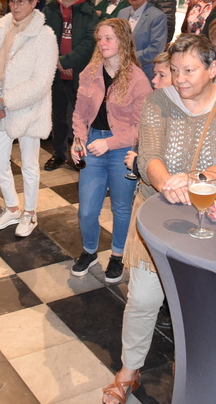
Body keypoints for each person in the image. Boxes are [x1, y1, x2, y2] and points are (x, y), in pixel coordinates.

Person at [102, 35, 216, 404]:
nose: (180, 78)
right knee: (142, 300)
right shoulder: (157, 101)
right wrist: (165, 181)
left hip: (210, 222)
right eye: (175, 70)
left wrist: (196, 180)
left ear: (213, 68)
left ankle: (189, 362)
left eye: (189, 70)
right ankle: (129, 369)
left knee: (199, 304)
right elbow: (149, 153)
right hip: (157, 215)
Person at [70, 19, 152, 284]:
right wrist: (78, 139)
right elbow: (80, 113)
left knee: (121, 207)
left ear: (123, 42)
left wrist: (110, 143)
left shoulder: (138, 79)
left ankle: (117, 255)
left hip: (122, 149)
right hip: (93, 143)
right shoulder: (90, 72)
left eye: (109, 38)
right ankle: (89, 251)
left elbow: (141, 127)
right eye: (100, 39)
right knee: (87, 209)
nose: (103, 44)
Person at [0, 0, 58, 237]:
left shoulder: (45, 36)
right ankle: (12, 208)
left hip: (28, 109)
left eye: (21, 1)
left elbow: (41, 83)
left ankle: (29, 214)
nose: (15, 6)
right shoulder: (1, 26)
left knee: (30, 165)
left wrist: (6, 101)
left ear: (34, 3)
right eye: (11, 1)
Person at [43, 0, 99, 170]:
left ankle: (79, 155)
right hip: (55, 73)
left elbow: (90, 42)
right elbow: (42, 37)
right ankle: (59, 154)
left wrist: (66, 62)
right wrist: (57, 63)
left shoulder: (88, 10)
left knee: (81, 117)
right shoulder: (48, 9)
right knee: (58, 116)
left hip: (80, 71)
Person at [116, 0, 167, 80]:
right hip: (121, 71)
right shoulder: (122, 12)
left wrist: (128, 57)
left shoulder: (157, 16)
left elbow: (155, 50)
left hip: (144, 72)